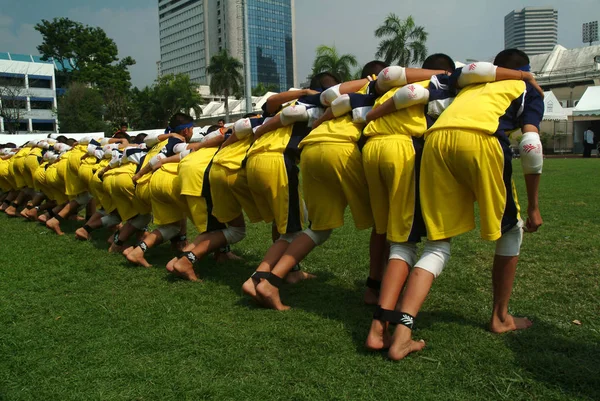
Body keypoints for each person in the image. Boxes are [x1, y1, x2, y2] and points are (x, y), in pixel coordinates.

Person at [382, 49, 544, 361]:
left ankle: (402, 333)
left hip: (436, 141)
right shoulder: (525, 87)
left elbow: (410, 87)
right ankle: (500, 317)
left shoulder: (470, 82)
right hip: (480, 140)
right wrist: (535, 206)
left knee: (437, 242)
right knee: (511, 230)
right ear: (525, 68)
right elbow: (531, 145)